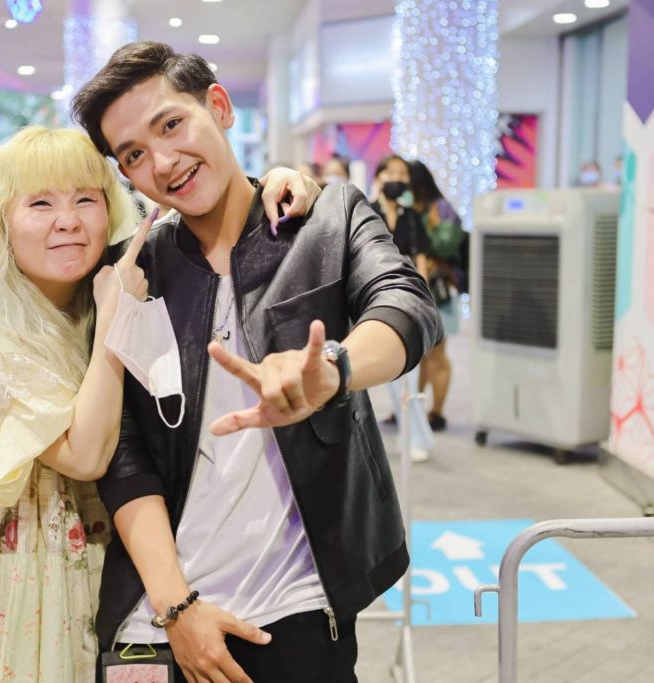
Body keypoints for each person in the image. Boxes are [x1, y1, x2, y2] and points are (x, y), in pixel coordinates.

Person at [0, 126, 318, 681]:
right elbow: (85, 455)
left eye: (85, 199)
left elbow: (209, 216)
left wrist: (278, 183)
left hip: (89, 553)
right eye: (40, 204)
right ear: (1, 219)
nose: (68, 221)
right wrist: (115, 321)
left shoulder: (99, 284)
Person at [72, 41, 442, 683]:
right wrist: (176, 608)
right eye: (133, 155)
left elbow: (405, 304)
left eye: (171, 124)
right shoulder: (132, 272)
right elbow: (126, 456)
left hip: (297, 612)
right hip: (158, 622)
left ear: (218, 106)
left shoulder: (325, 220)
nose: (163, 162)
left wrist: (335, 369)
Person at [370, 155, 434, 462]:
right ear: (379, 176)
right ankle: (414, 436)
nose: (397, 178)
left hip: (408, 296)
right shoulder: (366, 211)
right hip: (374, 298)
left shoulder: (411, 216)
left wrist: (422, 294)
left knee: (408, 370)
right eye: (391, 172)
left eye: (402, 173)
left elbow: (420, 257)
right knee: (392, 373)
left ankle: (416, 437)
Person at [408, 160, 463, 432]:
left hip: (439, 290)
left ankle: (437, 412)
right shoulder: (406, 210)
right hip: (412, 290)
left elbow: (446, 244)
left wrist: (416, 234)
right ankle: (412, 409)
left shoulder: (442, 209)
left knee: (437, 354)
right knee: (416, 355)